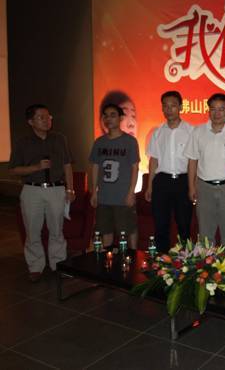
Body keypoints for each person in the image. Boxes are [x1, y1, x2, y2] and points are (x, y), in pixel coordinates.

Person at [8, 104, 75, 282]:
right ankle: (35, 266)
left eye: (48, 116)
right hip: (32, 190)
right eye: (41, 117)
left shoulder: (59, 139)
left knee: (57, 230)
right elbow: (13, 170)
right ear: (31, 121)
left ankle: (58, 264)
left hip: (56, 189)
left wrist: (70, 188)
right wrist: (36, 167)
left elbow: (67, 165)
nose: (47, 120)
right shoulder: (23, 142)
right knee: (32, 231)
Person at [186, 93, 225, 250]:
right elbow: (192, 161)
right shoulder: (198, 131)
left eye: (221, 109)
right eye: (213, 109)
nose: (217, 113)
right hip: (204, 187)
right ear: (208, 110)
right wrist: (191, 187)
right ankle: (207, 265)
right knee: (205, 234)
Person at [145, 91, 193, 252]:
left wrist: (193, 185)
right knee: (160, 224)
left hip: (183, 181)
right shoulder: (157, 132)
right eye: (165, 106)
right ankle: (161, 260)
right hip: (162, 181)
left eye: (173, 105)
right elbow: (153, 160)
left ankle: (186, 261)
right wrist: (149, 186)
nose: (169, 109)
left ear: (180, 107)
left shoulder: (191, 131)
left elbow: (195, 161)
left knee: (184, 225)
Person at [89, 104, 140, 250]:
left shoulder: (130, 141)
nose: (108, 119)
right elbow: (95, 167)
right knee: (105, 231)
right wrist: (94, 192)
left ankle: (132, 257)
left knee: (128, 229)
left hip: (123, 196)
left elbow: (135, 168)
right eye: (105, 115)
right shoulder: (99, 142)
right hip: (104, 196)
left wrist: (131, 193)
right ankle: (108, 259)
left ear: (120, 118)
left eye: (113, 115)